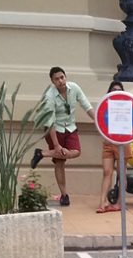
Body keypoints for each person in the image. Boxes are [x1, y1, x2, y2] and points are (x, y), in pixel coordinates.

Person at [31, 66, 94, 207]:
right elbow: (50, 121)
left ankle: (41, 153)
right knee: (60, 162)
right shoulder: (50, 96)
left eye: (62, 77)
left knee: (76, 152)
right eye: (56, 79)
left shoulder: (74, 88)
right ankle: (64, 195)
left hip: (70, 127)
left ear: (65, 77)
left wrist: (98, 121)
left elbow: (86, 106)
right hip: (54, 129)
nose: (60, 81)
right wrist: (57, 145)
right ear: (52, 82)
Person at [96, 81, 126, 213]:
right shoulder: (105, 106)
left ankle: (120, 202)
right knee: (107, 172)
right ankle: (102, 202)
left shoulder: (127, 106)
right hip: (108, 141)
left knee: (121, 174)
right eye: (113, 89)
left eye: (119, 90)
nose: (116, 91)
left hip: (123, 142)